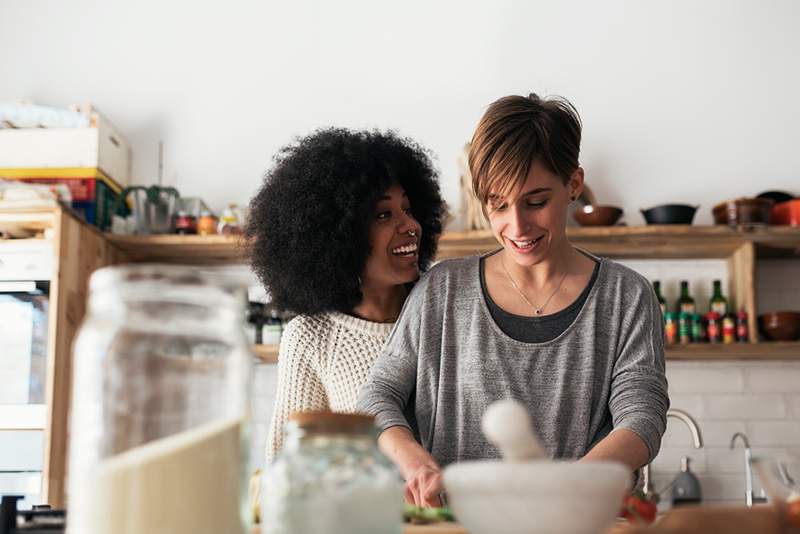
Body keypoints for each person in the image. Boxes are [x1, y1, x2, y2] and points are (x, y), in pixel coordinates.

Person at [357, 93, 669, 506]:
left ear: (573, 184)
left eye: (536, 202)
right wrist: (416, 464)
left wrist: (575, 486)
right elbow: (376, 398)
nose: (517, 225)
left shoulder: (626, 296)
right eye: (497, 205)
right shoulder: (441, 292)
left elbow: (642, 416)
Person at [246, 127, 445, 462]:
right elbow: (288, 466)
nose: (410, 225)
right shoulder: (311, 338)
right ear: (341, 236)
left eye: (409, 209)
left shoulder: (445, 308)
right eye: (384, 215)